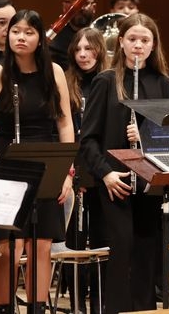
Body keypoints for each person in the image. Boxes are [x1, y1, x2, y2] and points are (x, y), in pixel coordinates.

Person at [78, 13, 169, 314]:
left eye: (144, 40)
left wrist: (147, 136)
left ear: (153, 45)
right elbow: (88, 139)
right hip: (115, 183)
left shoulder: (165, 85)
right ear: (120, 42)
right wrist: (106, 174)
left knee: (147, 253)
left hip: (150, 182)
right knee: (122, 251)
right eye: (132, 39)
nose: (138, 45)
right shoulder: (106, 82)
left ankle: (145, 310)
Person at [0, 9, 74, 314]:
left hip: (48, 166)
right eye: (15, 31)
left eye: (29, 32)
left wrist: (67, 173)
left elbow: (64, 125)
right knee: (9, 249)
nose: (21, 37)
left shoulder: (55, 72)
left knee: (42, 246)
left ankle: (37, 310)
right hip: (6, 167)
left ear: (39, 38)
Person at [63, 27, 110, 314]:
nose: (83, 54)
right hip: (73, 168)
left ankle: (100, 302)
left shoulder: (109, 81)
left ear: (100, 51)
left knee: (102, 236)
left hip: (101, 167)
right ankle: (77, 302)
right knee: (74, 239)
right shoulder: (66, 82)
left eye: (89, 49)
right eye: (78, 49)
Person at [49, 0, 97, 70]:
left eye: (85, 3)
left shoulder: (103, 33)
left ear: (94, 7)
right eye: (74, 3)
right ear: (64, 7)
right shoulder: (53, 42)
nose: (80, 7)